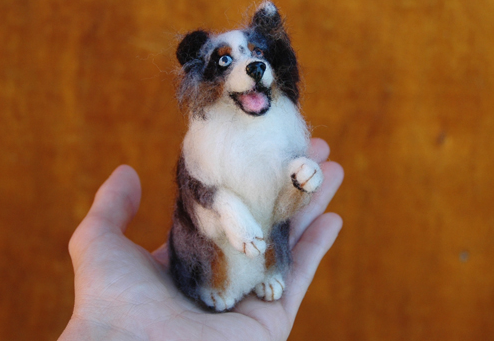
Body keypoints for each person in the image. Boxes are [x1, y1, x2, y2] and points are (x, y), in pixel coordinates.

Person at [59, 138, 344, 341]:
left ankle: (268, 271)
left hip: (262, 243)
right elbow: (201, 198)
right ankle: (213, 280)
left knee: (276, 226)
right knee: (207, 237)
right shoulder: (201, 149)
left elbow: (282, 212)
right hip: (212, 245)